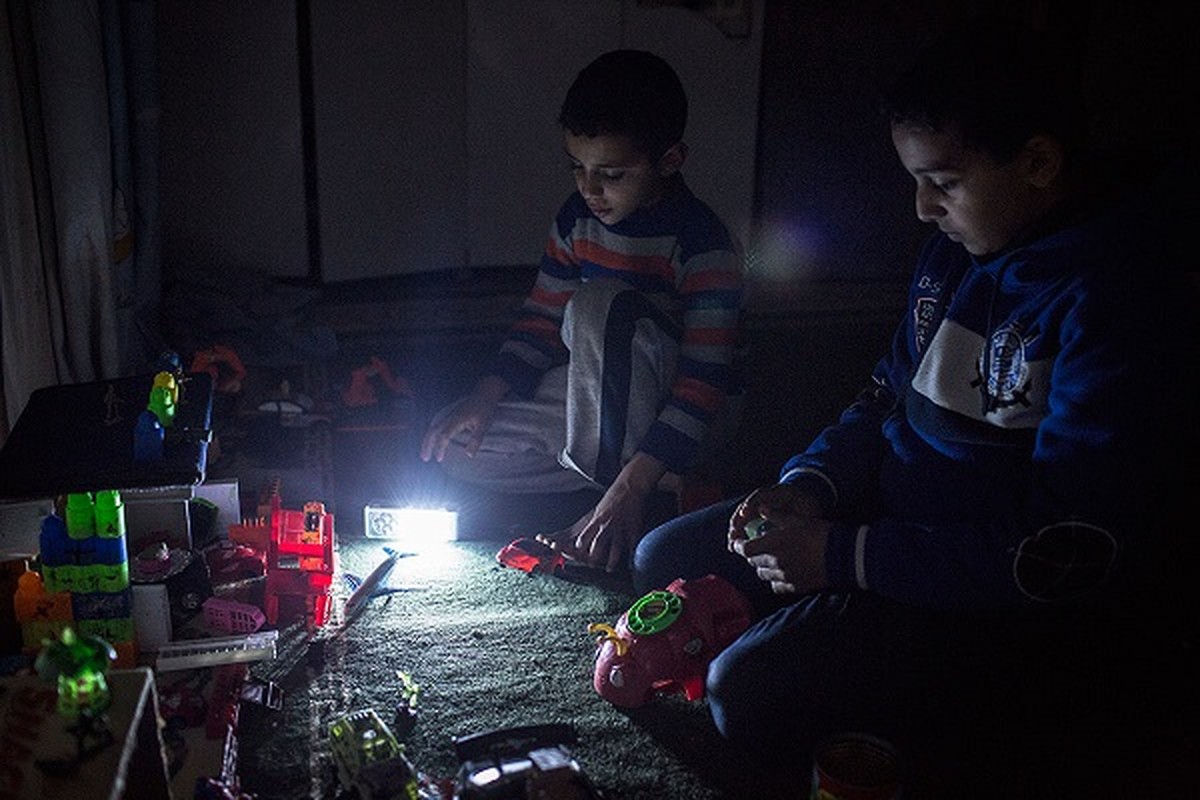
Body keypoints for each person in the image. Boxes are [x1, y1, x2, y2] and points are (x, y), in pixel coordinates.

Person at [632, 16, 1197, 797]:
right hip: (889, 522)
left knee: (744, 695)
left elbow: (1057, 551)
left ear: (1037, 162)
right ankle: (817, 609)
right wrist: (808, 487)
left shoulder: (1113, 301)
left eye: (945, 183)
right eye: (916, 182)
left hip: (982, 592)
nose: (923, 210)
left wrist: (840, 557)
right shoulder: (959, 250)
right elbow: (884, 397)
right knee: (659, 560)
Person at [420, 50, 744, 572]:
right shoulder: (576, 221)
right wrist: (483, 398)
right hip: (595, 398)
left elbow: (705, 380)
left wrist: (638, 464)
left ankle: (629, 488)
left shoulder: (702, 243)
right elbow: (541, 322)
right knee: (455, 447)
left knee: (600, 305)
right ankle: (656, 483)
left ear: (669, 161)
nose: (589, 190)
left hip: (683, 407)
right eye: (578, 168)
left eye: (612, 174)